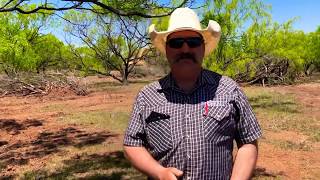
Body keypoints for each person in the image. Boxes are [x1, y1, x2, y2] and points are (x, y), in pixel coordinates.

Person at [123, 7, 262, 180]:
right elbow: (132, 144)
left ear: (203, 47)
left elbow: (248, 142)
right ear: (166, 49)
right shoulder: (147, 96)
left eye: (193, 42)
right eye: (176, 43)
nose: (185, 49)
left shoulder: (229, 89)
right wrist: (158, 172)